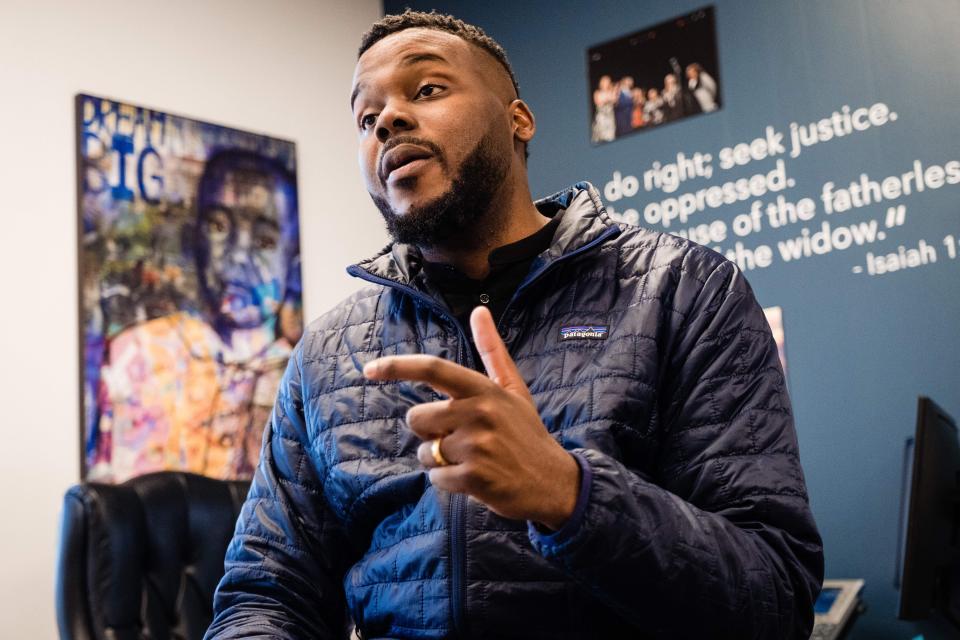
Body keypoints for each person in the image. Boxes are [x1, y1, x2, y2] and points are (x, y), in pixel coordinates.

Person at [207, 10, 823, 639]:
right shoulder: (328, 354)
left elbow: (775, 599)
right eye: (367, 119)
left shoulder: (683, 289)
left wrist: (572, 495)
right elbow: (265, 593)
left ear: (518, 120)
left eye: (426, 90)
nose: (387, 121)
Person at [91, 150, 302, 482]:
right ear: (195, 240)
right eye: (218, 226)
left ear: (292, 264)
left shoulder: (300, 378)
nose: (236, 255)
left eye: (264, 240)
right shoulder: (138, 354)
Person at [590, 74, 616, 143]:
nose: (606, 83)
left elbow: (614, 100)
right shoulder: (597, 92)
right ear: (601, 83)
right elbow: (598, 102)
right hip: (601, 118)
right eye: (604, 81)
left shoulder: (611, 92)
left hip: (610, 118)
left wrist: (609, 97)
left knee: (610, 136)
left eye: (608, 82)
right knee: (599, 137)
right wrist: (608, 98)